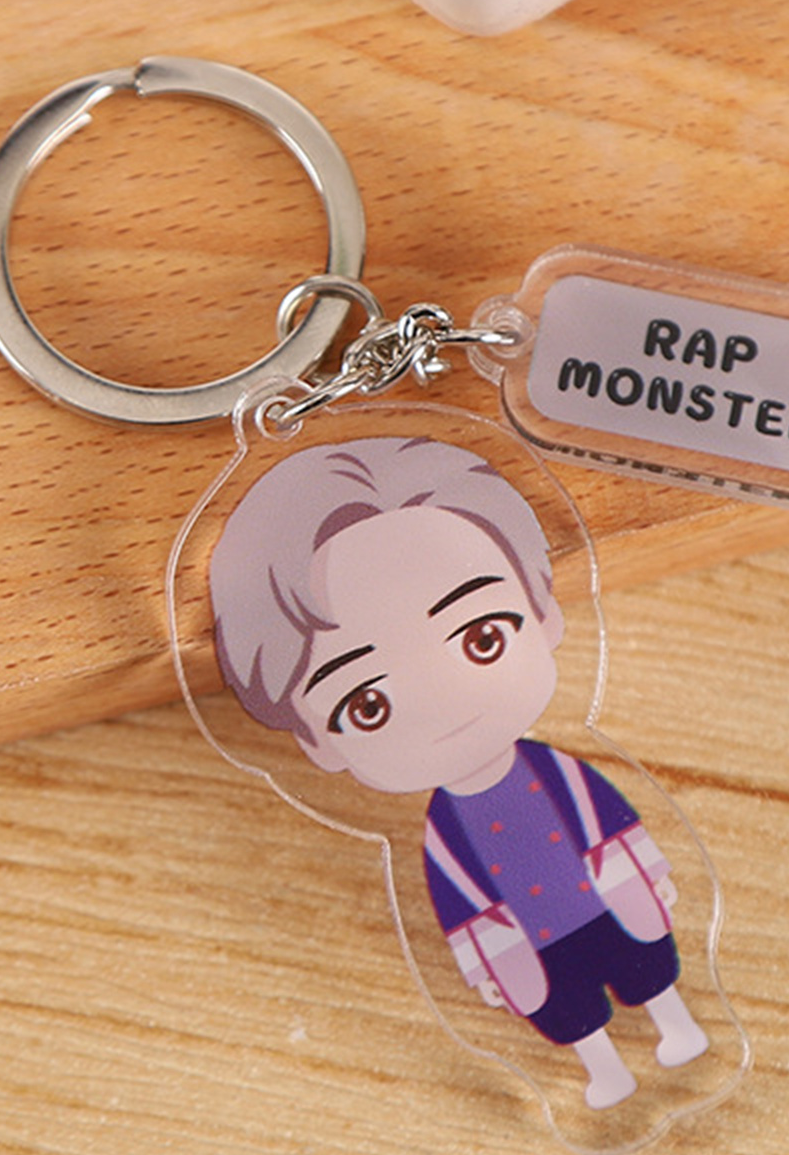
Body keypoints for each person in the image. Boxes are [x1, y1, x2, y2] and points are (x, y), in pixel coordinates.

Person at [209, 435, 707, 1109]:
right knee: (567, 1006)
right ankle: (604, 1069)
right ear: (316, 742)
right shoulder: (443, 833)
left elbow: (606, 820)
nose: (443, 702)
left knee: (644, 963)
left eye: (482, 638)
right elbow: (459, 901)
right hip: (532, 937)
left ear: (544, 613)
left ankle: (676, 1024)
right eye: (369, 704)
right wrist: (489, 962)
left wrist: (642, 873)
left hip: (601, 897)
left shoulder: (557, 773)